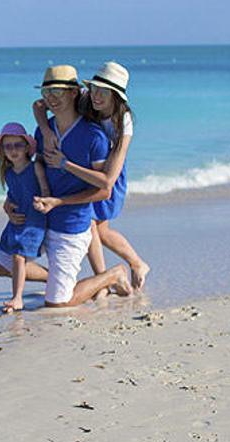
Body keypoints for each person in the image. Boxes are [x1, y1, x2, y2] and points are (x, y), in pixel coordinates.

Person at [33, 61, 150, 290]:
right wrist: (46, 132)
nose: (96, 95)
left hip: (108, 171)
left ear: (115, 96)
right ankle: (108, 278)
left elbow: (107, 181)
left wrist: (64, 163)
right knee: (96, 228)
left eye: (103, 92)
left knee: (98, 228)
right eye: (94, 88)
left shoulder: (123, 122)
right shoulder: (86, 98)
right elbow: (38, 106)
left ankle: (123, 270)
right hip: (88, 164)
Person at [0, 122, 49, 313]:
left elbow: (45, 190)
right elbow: (14, 193)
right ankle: (52, 277)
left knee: (18, 256)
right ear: (3, 151)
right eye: (8, 146)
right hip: (15, 222)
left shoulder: (35, 167)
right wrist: (7, 207)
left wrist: (43, 203)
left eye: (18, 145)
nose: (13, 150)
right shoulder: (8, 173)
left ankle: (17, 298)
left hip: (33, 221)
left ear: (27, 147)